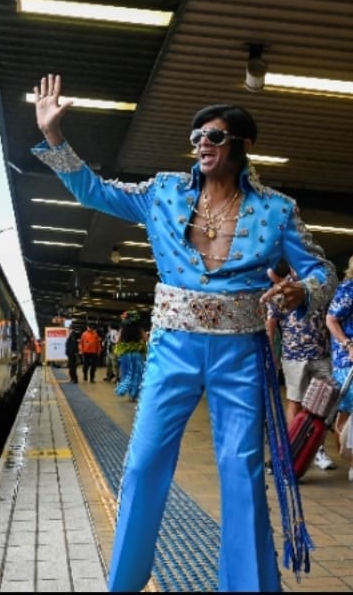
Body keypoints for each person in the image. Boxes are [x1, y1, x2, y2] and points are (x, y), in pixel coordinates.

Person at [31, 72, 337, 592]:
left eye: (214, 136)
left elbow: (323, 272)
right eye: (197, 137)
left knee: (241, 473)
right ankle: (124, 583)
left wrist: (299, 292)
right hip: (173, 348)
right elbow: (94, 192)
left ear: (242, 144)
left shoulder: (278, 210)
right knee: (144, 462)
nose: (202, 144)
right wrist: (55, 136)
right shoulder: (163, 192)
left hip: (241, 354)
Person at [265, 260, 336, 472]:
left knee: (322, 403)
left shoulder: (321, 285)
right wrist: (271, 354)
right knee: (295, 400)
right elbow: (271, 323)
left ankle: (317, 449)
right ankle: (292, 447)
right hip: (294, 354)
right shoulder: (284, 288)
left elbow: (333, 317)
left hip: (321, 353)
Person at [325, 254, 353, 481]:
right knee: (345, 412)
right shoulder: (348, 290)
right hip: (347, 361)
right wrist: (348, 344)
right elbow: (331, 319)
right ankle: (351, 461)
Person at [114, 311, 147, 402]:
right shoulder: (139, 328)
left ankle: (128, 393)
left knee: (127, 373)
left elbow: (117, 341)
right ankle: (134, 395)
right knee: (137, 374)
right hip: (137, 353)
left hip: (126, 354)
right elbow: (146, 339)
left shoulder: (123, 328)